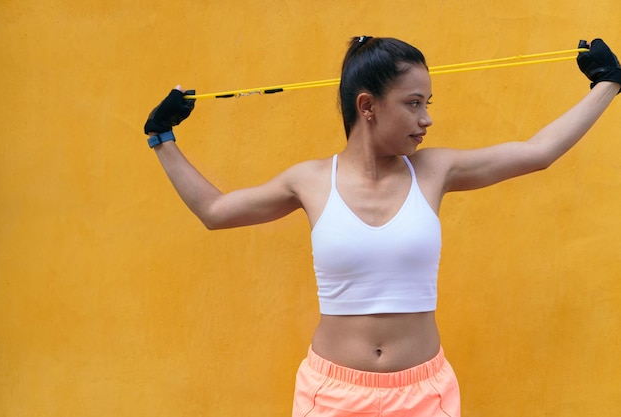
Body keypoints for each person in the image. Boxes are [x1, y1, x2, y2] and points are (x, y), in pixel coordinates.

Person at [143, 36, 621, 417]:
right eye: (413, 103)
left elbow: (537, 153)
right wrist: (162, 138)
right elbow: (215, 211)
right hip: (332, 395)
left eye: (428, 102)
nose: (427, 118)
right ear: (367, 106)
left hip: (423, 393)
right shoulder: (309, 180)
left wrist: (607, 84)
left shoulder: (435, 171)